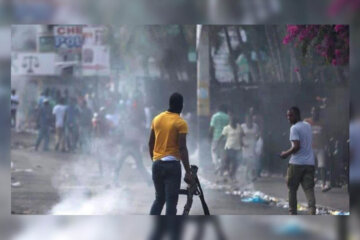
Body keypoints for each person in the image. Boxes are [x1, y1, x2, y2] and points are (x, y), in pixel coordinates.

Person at [148, 92, 193, 215]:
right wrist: (188, 171)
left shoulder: (157, 119)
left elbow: (150, 143)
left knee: (159, 199)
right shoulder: (180, 122)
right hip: (172, 166)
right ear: (181, 106)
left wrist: (155, 161)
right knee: (171, 202)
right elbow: (182, 148)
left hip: (157, 164)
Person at [280, 107, 316, 215]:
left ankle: (292, 212)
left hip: (296, 164)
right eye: (287, 115)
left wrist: (285, 154)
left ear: (297, 115)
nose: (288, 118)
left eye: (290, 115)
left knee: (292, 189)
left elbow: (296, 146)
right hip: (309, 163)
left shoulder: (294, 128)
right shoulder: (308, 125)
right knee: (309, 189)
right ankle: (312, 210)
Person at [304, 106, 330, 192]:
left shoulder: (322, 123)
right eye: (314, 112)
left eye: (317, 112)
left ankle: (323, 184)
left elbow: (325, 135)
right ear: (311, 112)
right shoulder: (307, 122)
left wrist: (326, 145)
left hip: (320, 147)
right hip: (310, 147)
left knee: (322, 166)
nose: (315, 114)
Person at [217, 115, 243, 182]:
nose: (231, 122)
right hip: (228, 147)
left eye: (233, 121)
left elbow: (242, 135)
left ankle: (232, 175)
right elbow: (221, 136)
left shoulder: (239, 127)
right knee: (226, 162)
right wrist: (217, 144)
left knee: (235, 163)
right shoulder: (226, 128)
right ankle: (225, 175)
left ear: (235, 122)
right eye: (231, 121)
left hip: (237, 148)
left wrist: (242, 144)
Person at [209, 104, 229, 171]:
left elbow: (212, 127)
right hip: (225, 138)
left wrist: (210, 137)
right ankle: (222, 167)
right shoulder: (227, 117)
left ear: (218, 109)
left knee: (214, 151)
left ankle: (217, 166)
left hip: (216, 137)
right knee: (223, 153)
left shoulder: (214, 116)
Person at [241, 114, 260, 181]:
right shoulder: (242, 126)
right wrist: (242, 144)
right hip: (245, 146)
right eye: (247, 119)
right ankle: (247, 175)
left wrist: (256, 140)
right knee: (248, 161)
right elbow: (239, 136)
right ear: (245, 120)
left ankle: (250, 175)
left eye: (250, 119)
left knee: (252, 161)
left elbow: (258, 135)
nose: (249, 121)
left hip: (253, 145)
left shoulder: (255, 126)